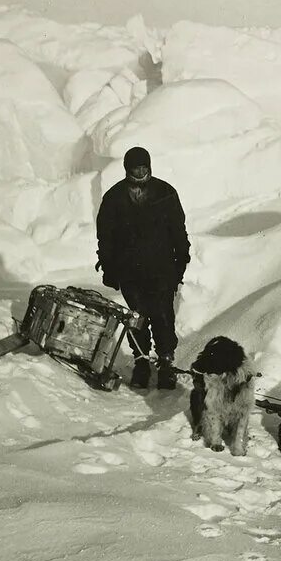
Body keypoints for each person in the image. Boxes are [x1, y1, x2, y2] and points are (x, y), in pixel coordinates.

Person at [96, 146, 190, 389]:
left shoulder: (166, 193)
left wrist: (182, 257)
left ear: (150, 166)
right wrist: (108, 266)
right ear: (127, 169)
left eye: (144, 167)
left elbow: (178, 229)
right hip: (129, 270)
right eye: (135, 168)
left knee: (162, 315)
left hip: (162, 269)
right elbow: (105, 236)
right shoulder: (114, 197)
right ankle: (141, 362)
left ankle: (166, 363)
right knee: (136, 317)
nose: (140, 172)